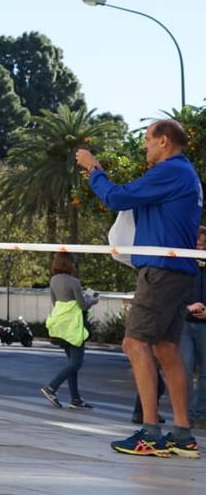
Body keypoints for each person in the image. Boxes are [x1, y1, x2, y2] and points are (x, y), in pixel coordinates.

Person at [77, 118, 202, 457]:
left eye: (148, 139)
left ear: (164, 141)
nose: (145, 145)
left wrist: (93, 170)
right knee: (166, 347)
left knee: (134, 343)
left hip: (160, 272)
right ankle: (181, 433)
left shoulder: (171, 171)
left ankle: (150, 431)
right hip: (177, 272)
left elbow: (118, 198)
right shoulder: (185, 173)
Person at [39, 252, 97, 410]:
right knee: (76, 363)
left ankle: (75, 398)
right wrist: (92, 300)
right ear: (70, 264)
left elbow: (55, 303)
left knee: (72, 363)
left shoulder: (53, 280)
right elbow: (82, 305)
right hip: (74, 327)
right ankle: (51, 388)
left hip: (61, 326)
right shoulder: (74, 282)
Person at [179, 225, 206, 427]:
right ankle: (185, 413)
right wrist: (187, 308)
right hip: (184, 322)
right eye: (196, 242)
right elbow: (173, 293)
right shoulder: (182, 262)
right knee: (184, 368)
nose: (199, 246)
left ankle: (200, 412)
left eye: (203, 243)